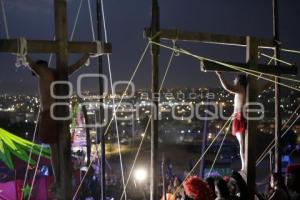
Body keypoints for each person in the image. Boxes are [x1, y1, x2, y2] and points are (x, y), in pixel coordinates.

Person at [26, 54, 89, 195]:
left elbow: (32, 64)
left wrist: (22, 53)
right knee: (63, 148)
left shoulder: (42, 72)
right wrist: (85, 59)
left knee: (55, 149)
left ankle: (59, 179)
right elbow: (73, 68)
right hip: (62, 113)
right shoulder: (57, 72)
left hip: (50, 114)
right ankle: (63, 178)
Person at [216, 72, 247, 171]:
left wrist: (220, 75)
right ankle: (244, 165)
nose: (234, 81)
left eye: (235, 80)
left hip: (239, 117)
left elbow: (227, 87)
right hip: (242, 117)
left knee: (242, 143)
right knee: (243, 143)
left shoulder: (240, 89)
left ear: (238, 81)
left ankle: (244, 166)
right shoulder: (244, 90)